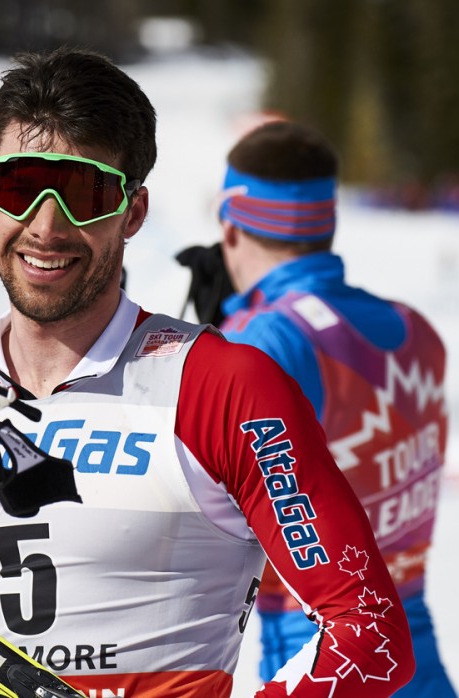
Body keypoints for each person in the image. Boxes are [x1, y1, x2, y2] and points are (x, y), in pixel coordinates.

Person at [0, 48, 415, 697]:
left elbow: (370, 633)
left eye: (84, 193)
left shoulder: (221, 387)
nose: (47, 227)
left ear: (132, 212)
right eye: (19, 187)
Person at [213, 120, 453, 697]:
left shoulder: (262, 340)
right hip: (419, 657)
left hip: (326, 655)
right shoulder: (414, 325)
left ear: (231, 229)